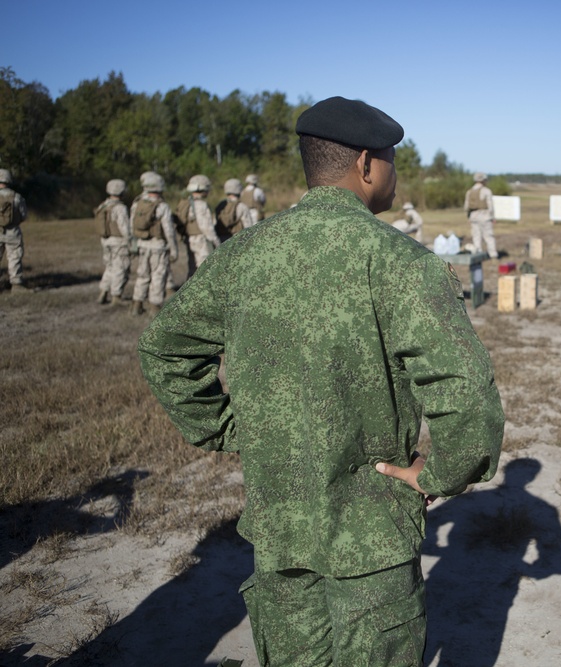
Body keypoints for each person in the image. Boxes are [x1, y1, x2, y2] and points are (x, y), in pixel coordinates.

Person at [137, 96, 505, 666]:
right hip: (371, 542)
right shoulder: (400, 261)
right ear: (365, 164)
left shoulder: (246, 254)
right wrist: (440, 474)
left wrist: (230, 427)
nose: (394, 173)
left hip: (278, 532)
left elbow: (164, 349)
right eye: (390, 160)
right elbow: (467, 397)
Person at [130, 171, 178, 316]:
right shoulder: (162, 206)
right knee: (158, 275)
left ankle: (136, 305)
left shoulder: (137, 203)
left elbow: (131, 224)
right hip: (158, 246)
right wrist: (173, 248)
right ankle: (155, 307)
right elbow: (168, 230)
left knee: (143, 275)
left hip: (142, 244)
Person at [95, 178, 134, 306]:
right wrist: (131, 242)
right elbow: (124, 228)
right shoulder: (120, 208)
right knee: (120, 268)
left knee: (110, 267)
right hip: (119, 242)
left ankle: (103, 291)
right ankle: (116, 296)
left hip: (106, 241)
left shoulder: (103, 205)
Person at [177, 174, 221, 277]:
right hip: (201, 240)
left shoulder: (186, 203)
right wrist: (217, 242)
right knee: (204, 270)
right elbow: (206, 227)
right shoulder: (201, 204)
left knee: (192, 269)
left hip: (190, 239)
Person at [0, 168, 29, 293]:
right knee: (14, 257)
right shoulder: (17, 197)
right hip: (13, 232)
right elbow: (24, 215)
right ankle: (16, 285)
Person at [464, 172, 498, 259]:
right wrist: (493, 217)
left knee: (476, 236)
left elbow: (466, 207)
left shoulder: (469, 192)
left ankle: (478, 254)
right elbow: (490, 206)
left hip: (474, 217)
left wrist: (469, 216)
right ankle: (493, 254)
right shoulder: (487, 191)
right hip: (485, 216)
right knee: (488, 236)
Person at [215, 178, 255, 242]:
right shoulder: (241, 206)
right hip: (237, 239)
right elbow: (248, 226)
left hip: (222, 239)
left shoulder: (221, 205)